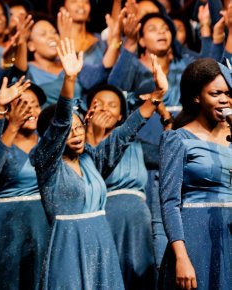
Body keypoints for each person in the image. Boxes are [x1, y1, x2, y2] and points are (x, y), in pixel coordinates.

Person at [31, 39, 164, 290]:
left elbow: (123, 134)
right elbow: (60, 123)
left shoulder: (91, 159)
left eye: (80, 127)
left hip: (101, 242)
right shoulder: (47, 164)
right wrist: (69, 80)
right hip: (68, 245)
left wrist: (155, 98)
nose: (77, 134)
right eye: (69, 131)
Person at [158, 58, 232, 290]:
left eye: (228, 93)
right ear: (197, 97)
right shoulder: (178, 139)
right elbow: (169, 202)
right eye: (216, 93)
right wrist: (181, 256)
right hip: (195, 235)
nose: (224, 100)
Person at [85, 84, 157, 289]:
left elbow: (168, 156)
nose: (105, 109)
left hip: (137, 223)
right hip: (104, 220)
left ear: (120, 116)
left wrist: (166, 118)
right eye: (99, 104)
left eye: (113, 105)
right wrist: (95, 135)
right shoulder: (80, 147)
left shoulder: (135, 145)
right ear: (89, 110)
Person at [0, 82, 51, 290]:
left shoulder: (48, 142)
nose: (30, 110)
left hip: (42, 222)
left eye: (35, 105)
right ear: (9, 111)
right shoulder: (1, 142)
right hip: (8, 224)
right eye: (22, 104)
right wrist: (11, 128)